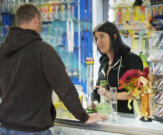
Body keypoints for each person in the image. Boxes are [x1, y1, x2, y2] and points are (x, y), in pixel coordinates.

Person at [0, 4, 107, 135]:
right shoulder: (42, 50)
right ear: (35, 19)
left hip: (5, 127)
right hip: (33, 130)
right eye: (41, 21)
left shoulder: (3, 50)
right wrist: (83, 117)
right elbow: (64, 87)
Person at [93, 21, 143, 114]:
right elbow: (97, 90)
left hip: (128, 119)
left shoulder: (132, 59)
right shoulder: (104, 62)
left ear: (114, 36)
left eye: (102, 36)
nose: (98, 41)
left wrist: (110, 95)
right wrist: (95, 103)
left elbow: (135, 92)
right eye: (96, 38)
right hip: (107, 117)